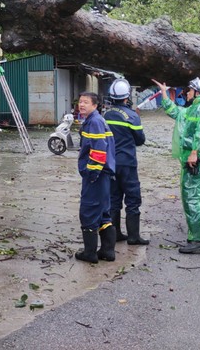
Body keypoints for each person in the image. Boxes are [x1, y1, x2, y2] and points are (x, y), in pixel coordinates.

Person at [152, 77, 200, 255]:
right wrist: (165, 93)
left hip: (196, 162)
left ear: (198, 93)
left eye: (190, 90)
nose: (187, 92)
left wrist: (194, 152)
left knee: (191, 198)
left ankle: (199, 240)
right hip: (197, 161)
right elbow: (176, 112)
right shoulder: (194, 109)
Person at [103, 78, 149, 245]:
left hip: (110, 163)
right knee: (132, 199)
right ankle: (133, 236)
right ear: (127, 96)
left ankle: (115, 234)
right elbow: (140, 140)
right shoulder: (132, 116)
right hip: (128, 163)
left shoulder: (105, 115)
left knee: (114, 199)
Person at [75, 91, 117, 263]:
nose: (81, 105)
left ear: (95, 105)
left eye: (85, 102)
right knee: (103, 213)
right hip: (103, 175)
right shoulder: (94, 120)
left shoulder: (95, 122)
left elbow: (99, 150)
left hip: (97, 175)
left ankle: (90, 253)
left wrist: (91, 173)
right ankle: (108, 251)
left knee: (89, 211)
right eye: (80, 101)